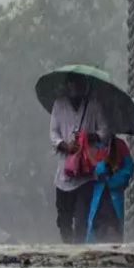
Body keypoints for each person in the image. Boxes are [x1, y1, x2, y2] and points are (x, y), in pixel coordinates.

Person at [49, 73, 109, 243]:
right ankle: (67, 246)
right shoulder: (59, 105)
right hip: (64, 172)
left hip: (85, 172)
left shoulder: (94, 105)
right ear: (66, 86)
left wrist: (90, 137)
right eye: (71, 84)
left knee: (82, 216)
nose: (74, 88)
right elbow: (53, 132)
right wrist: (65, 145)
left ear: (84, 86)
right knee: (64, 217)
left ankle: (78, 248)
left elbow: (105, 131)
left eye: (78, 84)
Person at [86, 136, 133, 244]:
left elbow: (128, 169)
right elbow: (84, 166)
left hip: (114, 197)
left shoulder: (119, 145)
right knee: (94, 230)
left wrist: (113, 180)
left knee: (113, 230)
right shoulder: (90, 145)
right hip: (95, 196)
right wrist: (99, 169)